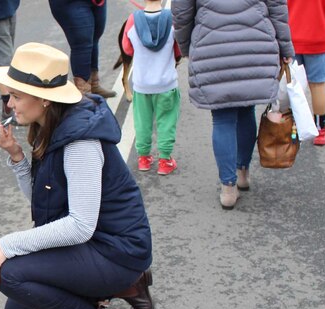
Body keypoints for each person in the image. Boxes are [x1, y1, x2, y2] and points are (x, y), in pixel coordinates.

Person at [0, 43, 154, 309]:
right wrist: (17, 156)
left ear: (44, 99)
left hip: (116, 249)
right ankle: (130, 287)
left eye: (17, 96)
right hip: (95, 244)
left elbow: (80, 225)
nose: (9, 103)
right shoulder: (52, 125)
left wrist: (7, 243)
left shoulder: (80, 142)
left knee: (8, 272)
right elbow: (44, 202)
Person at [173, 0, 293, 209]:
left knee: (222, 118)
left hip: (211, 43)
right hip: (255, 41)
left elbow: (182, 13)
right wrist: (285, 46)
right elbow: (277, 6)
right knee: (246, 109)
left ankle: (228, 188)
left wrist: (186, 47)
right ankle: (242, 172)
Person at [122, 0, 181, 175]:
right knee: (167, 122)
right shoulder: (172, 20)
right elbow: (178, 51)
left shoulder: (132, 20)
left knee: (142, 123)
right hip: (166, 83)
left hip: (141, 85)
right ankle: (164, 160)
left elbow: (127, 49)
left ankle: (143, 158)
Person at [287, 0, 325, 146]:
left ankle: (290, 127)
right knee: (317, 85)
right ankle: (320, 130)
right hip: (319, 33)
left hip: (291, 34)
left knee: (292, 84)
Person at [48, 0, 115, 98]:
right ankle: (84, 94)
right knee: (82, 44)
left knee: (94, 38)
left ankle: (94, 85)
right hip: (71, 3)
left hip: (97, 2)